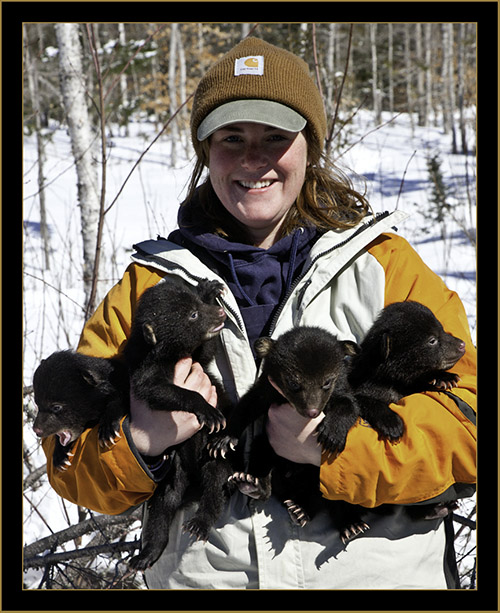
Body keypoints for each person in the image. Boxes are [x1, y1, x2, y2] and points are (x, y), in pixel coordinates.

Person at [41, 36, 476, 589]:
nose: (253, 159)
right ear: (205, 151)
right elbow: (71, 462)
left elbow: (471, 421)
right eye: (232, 138)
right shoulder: (150, 287)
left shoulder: (386, 267)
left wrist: (338, 448)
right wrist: (141, 442)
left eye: (275, 137)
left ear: (309, 148)